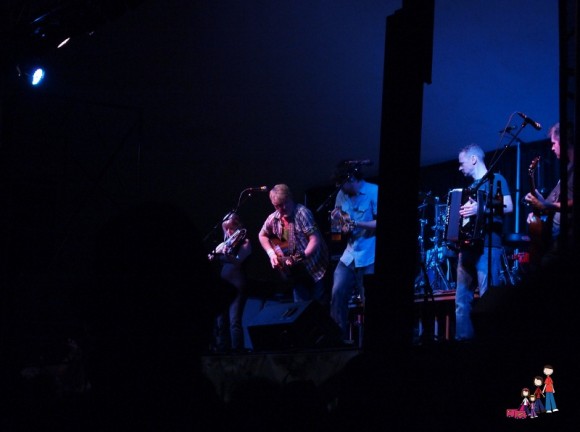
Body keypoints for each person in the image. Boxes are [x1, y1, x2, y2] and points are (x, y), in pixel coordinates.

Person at [454, 143, 513, 341]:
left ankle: (490, 344)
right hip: (467, 249)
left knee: (489, 298)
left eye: (462, 163)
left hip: (489, 247)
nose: (460, 168)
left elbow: (509, 207)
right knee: (462, 301)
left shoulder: (497, 180)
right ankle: (463, 343)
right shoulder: (469, 189)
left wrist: (480, 208)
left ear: (473, 159)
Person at [329, 162, 378, 342]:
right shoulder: (341, 195)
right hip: (350, 254)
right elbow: (338, 228)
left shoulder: (374, 191)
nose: (337, 187)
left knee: (369, 300)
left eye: (340, 183)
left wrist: (357, 224)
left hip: (369, 254)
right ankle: (337, 340)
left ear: (350, 179)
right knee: (337, 292)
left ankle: (370, 343)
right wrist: (340, 227)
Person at [258, 184, 329, 303]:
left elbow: (315, 239)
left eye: (286, 202)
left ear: (290, 198)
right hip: (297, 274)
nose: (284, 207)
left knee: (319, 310)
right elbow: (262, 235)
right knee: (301, 312)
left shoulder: (302, 213)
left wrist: (302, 256)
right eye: (279, 206)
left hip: (316, 269)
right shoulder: (273, 219)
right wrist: (271, 254)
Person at [524, 122, 574, 270]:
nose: (552, 148)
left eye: (553, 143)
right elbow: (550, 204)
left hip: (566, 241)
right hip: (554, 240)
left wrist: (545, 205)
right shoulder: (567, 169)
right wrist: (538, 199)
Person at [209, 213, 252, 352]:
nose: (228, 232)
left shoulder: (245, 242)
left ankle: (237, 352)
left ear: (238, 227)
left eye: (231, 228)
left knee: (234, 321)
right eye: (226, 229)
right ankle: (223, 351)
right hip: (223, 285)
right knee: (221, 321)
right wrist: (212, 256)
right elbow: (211, 256)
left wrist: (228, 255)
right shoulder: (224, 243)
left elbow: (239, 261)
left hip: (237, 283)